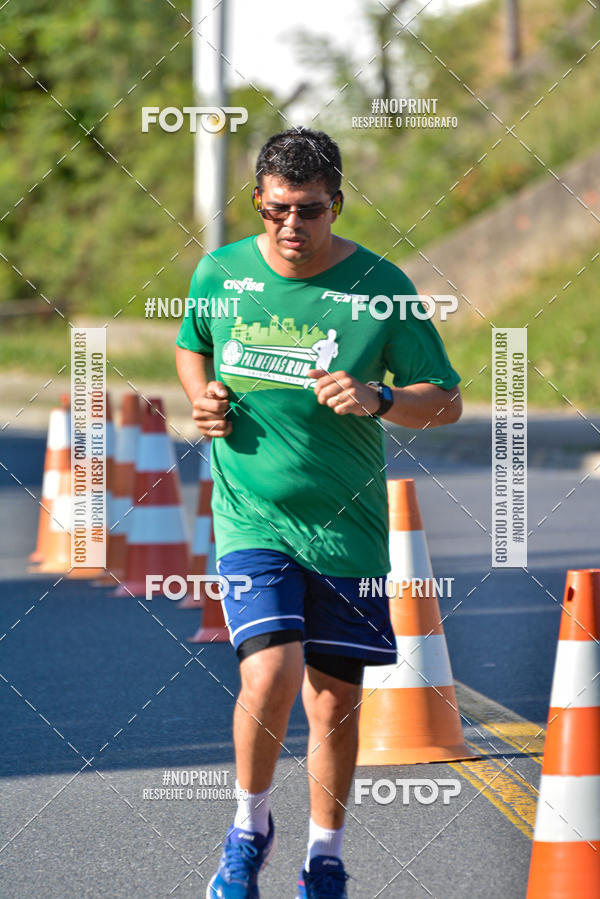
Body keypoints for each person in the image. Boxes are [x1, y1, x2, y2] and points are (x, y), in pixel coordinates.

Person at [175, 127, 462, 899]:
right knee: (270, 670)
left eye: (308, 211)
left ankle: (325, 857)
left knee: (334, 698)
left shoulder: (380, 285)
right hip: (251, 516)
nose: (290, 229)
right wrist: (200, 397)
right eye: (274, 212)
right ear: (257, 204)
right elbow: (192, 342)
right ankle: (246, 828)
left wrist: (382, 398)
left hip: (349, 525)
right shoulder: (220, 272)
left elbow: (449, 400)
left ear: (337, 203)